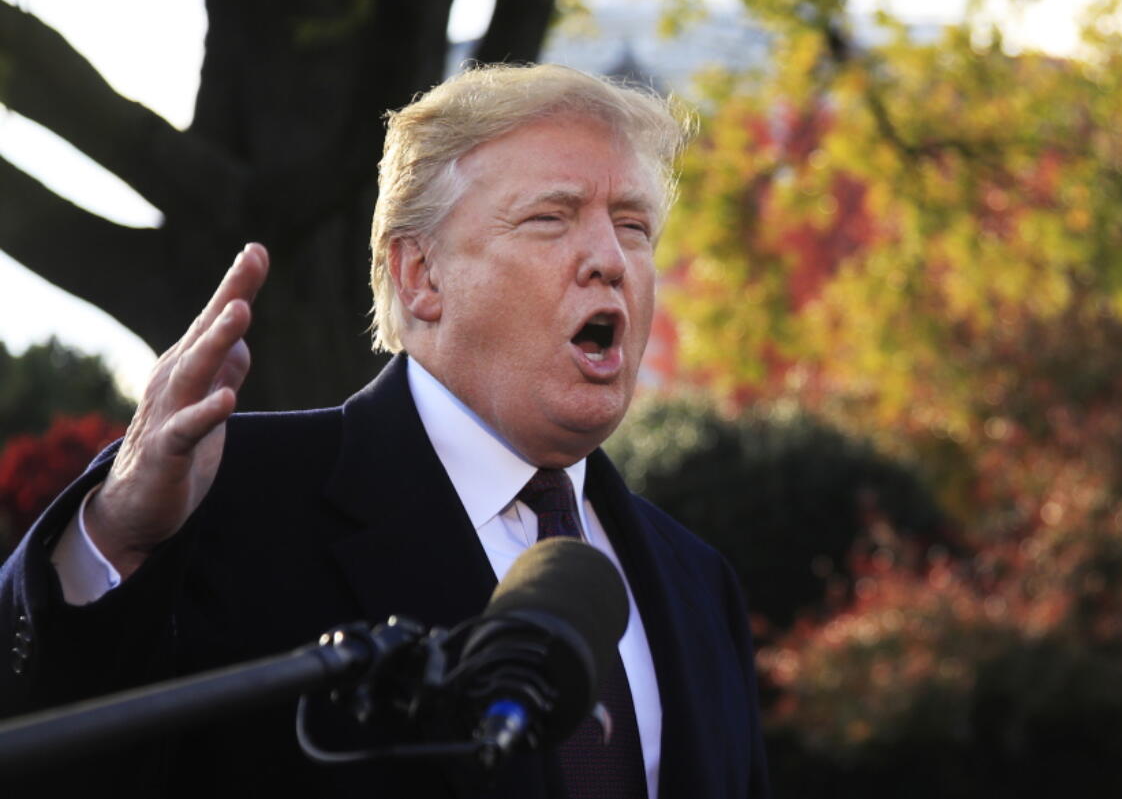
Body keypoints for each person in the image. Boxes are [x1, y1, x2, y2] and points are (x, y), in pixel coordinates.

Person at [0, 64, 770, 798]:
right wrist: (114, 536)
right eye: (550, 218)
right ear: (420, 277)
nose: (610, 259)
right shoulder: (226, 501)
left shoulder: (699, 581)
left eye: (633, 225)